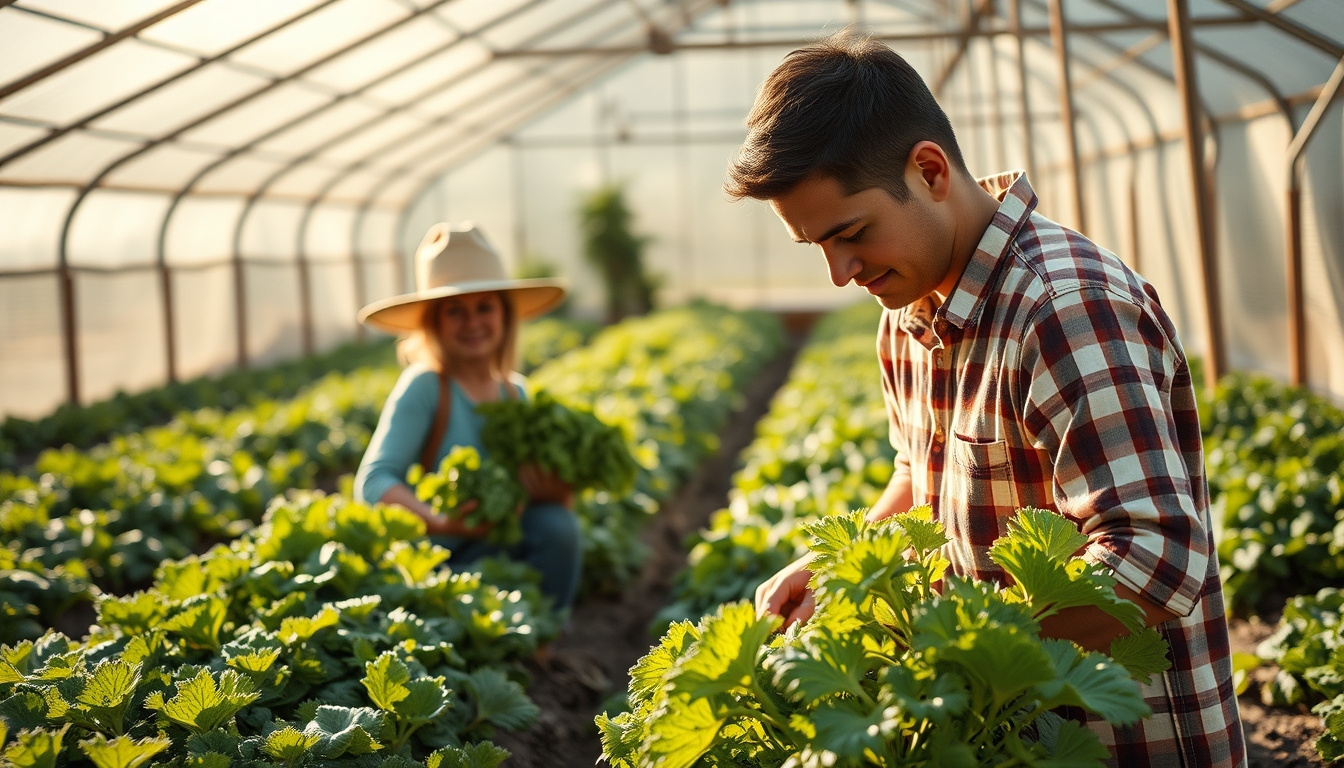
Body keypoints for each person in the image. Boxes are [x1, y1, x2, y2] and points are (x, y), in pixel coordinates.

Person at [742, 34, 1244, 767]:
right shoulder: (907, 315)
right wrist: (840, 564)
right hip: (995, 735)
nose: (839, 273)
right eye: (815, 245)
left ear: (930, 171)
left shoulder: (1064, 311)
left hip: (1120, 744)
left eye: (850, 234)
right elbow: (924, 475)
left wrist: (963, 647)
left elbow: (1158, 555)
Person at [353, 222, 582, 613]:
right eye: (454, 311)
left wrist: (555, 485)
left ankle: (545, 640)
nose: (472, 322)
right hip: (439, 563)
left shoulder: (517, 393)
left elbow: (543, 496)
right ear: (434, 323)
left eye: (484, 307)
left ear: (505, 316)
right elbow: (374, 480)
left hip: (502, 545)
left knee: (559, 527)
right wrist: (439, 520)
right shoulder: (426, 386)